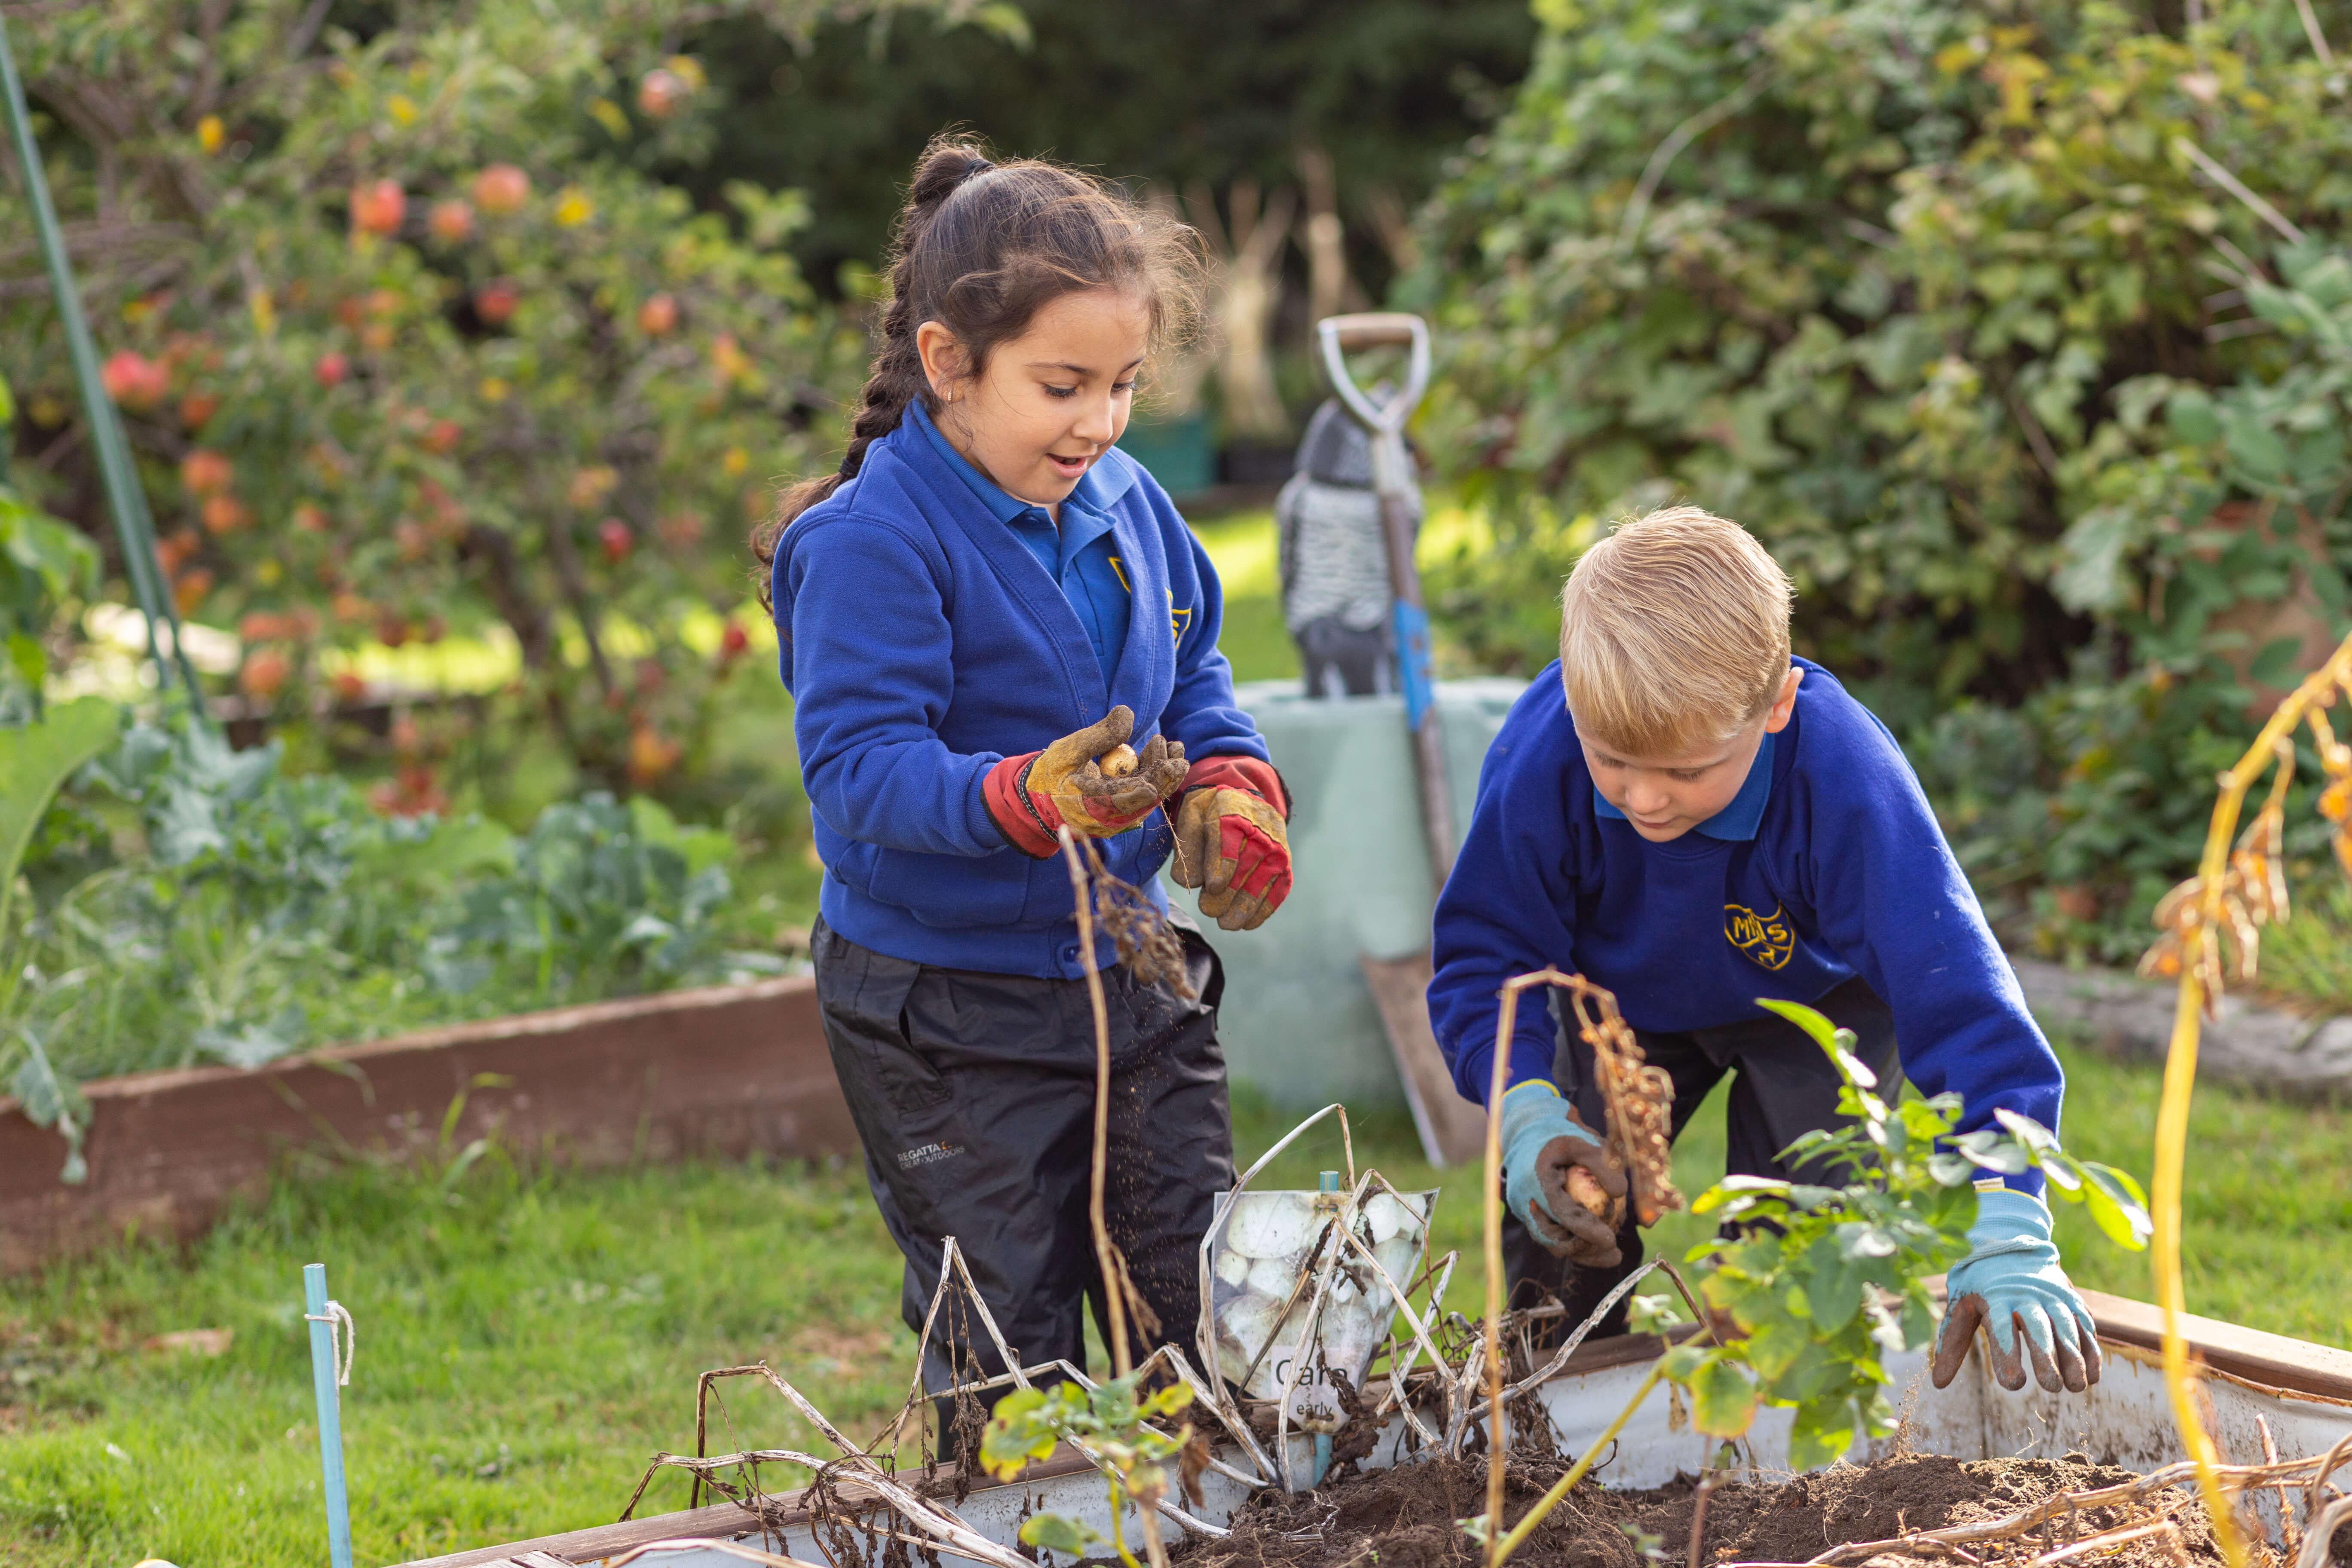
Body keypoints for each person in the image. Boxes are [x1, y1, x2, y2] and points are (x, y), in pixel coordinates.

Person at [755, 139, 1294, 1448]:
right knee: (1011, 1351)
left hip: (1127, 970)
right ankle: (1019, 1525)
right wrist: (1024, 798)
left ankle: (1205, 1523)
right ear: (949, 362)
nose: (1100, 423)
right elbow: (859, 770)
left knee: (1200, 1303)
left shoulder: (1128, 502)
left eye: (1122, 386)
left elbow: (1194, 667)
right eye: (1062, 387)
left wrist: (1229, 782)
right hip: (943, 1009)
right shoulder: (870, 544)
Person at [1424, 505, 2102, 1397]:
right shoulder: (1547, 749)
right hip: (1619, 1008)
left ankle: (1775, 1435)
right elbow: (1488, 953)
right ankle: (1546, 1412)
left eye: (1687, 770)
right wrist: (1524, 1107)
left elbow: (1956, 992)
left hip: (1816, 1008)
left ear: (1777, 705)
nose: (1645, 799)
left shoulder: (1844, 776)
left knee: (1800, 1250)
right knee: (1562, 1208)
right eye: (1613, 761)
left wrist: (2006, 1214)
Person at [1274, 392, 1419, 698]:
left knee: (1381, 687)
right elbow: (1290, 567)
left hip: (1378, 620)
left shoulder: (1402, 502)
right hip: (1319, 617)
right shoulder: (1302, 498)